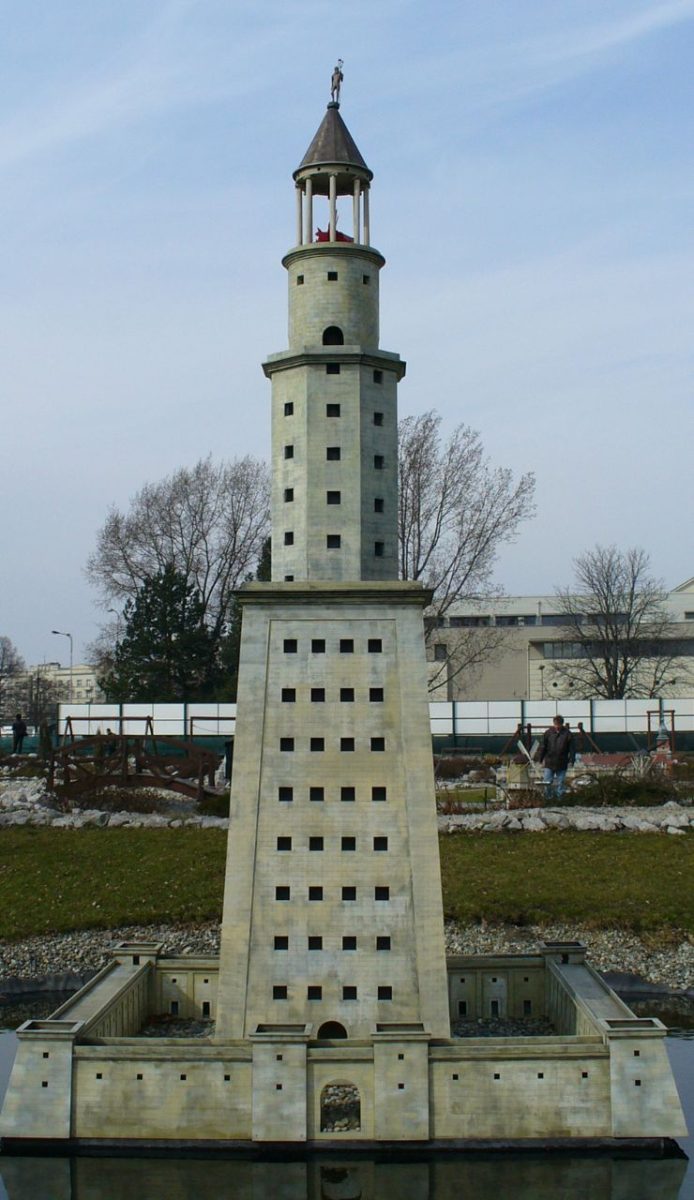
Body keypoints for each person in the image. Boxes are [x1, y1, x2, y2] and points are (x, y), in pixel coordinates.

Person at [538, 714, 574, 800]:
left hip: (562, 762)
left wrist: (572, 760)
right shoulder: (548, 733)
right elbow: (544, 747)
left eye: (559, 725)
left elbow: (572, 749)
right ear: (553, 723)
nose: (557, 726)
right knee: (547, 782)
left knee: (560, 783)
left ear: (562, 724)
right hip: (549, 761)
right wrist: (540, 759)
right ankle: (548, 798)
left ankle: (559, 799)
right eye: (556, 724)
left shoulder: (568, 734)